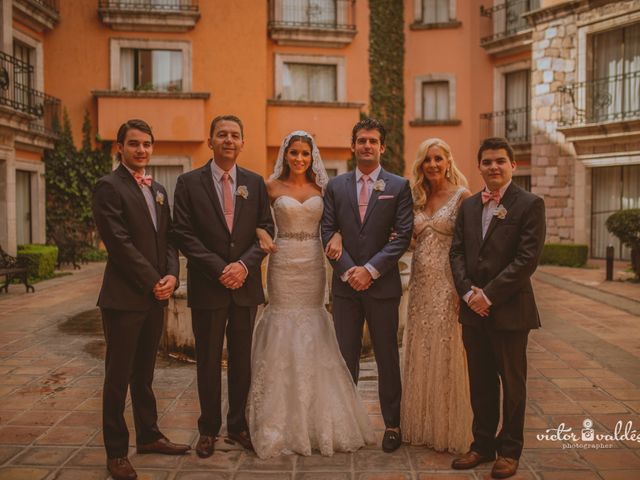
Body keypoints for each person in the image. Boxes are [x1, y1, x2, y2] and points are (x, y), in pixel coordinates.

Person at [247, 131, 374, 459]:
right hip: (283, 261)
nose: (300, 159)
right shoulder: (270, 187)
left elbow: (343, 221)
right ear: (285, 155)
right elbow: (252, 221)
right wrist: (261, 230)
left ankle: (321, 418)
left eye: (305, 153)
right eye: (294, 153)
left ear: (312, 155)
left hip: (314, 265)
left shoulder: (325, 189)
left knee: (314, 325)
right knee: (283, 324)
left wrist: (341, 236)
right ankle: (278, 421)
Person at [92, 119, 190, 480]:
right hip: (124, 299)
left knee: (145, 374)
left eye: (147, 144)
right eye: (134, 144)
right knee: (118, 376)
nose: (141, 150)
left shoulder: (158, 188)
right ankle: (116, 452)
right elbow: (118, 243)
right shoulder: (108, 186)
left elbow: (168, 238)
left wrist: (171, 275)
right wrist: (152, 280)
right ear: (120, 147)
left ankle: (149, 436)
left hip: (155, 296)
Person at [172, 115, 274, 458]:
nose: (228, 140)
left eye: (234, 135)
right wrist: (220, 268)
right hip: (208, 286)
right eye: (222, 135)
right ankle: (208, 429)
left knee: (243, 360)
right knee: (208, 360)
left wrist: (244, 265)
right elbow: (183, 234)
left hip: (245, 287)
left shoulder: (256, 183)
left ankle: (238, 426)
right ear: (210, 141)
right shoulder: (188, 183)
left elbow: (265, 228)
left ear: (242, 142)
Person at [449, 137, 546, 479]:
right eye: (488, 161)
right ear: (479, 166)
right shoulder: (470, 205)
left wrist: (487, 296)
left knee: (513, 384)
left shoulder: (530, 204)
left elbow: (526, 260)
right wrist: (466, 293)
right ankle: (482, 445)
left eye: (500, 161)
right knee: (481, 382)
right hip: (472, 311)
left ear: (512, 165)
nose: (494, 167)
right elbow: (457, 252)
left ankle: (509, 450)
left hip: (509, 310)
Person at [321, 118, 413, 453]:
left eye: (373, 141)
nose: (367, 146)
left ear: (382, 147)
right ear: (353, 145)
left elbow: (402, 236)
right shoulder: (335, 186)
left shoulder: (399, 186)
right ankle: (346, 423)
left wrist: (370, 270)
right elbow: (327, 232)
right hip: (346, 289)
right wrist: (349, 271)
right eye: (361, 140)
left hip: (382, 287)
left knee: (387, 356)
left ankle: (392, 424)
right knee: (345, 358)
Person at [400, 138, 472, 453]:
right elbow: (411, 240)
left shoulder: (462, 197)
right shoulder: (416, 197)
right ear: (420, 164)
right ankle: (422, 423)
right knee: (421, 349)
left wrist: (462, 288)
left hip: (448, 285)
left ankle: (447, 425)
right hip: (419, 285)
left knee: (446, 350)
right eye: (427, 159)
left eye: (438, 159)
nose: (432, 165)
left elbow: (470, 247)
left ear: (447, 161)